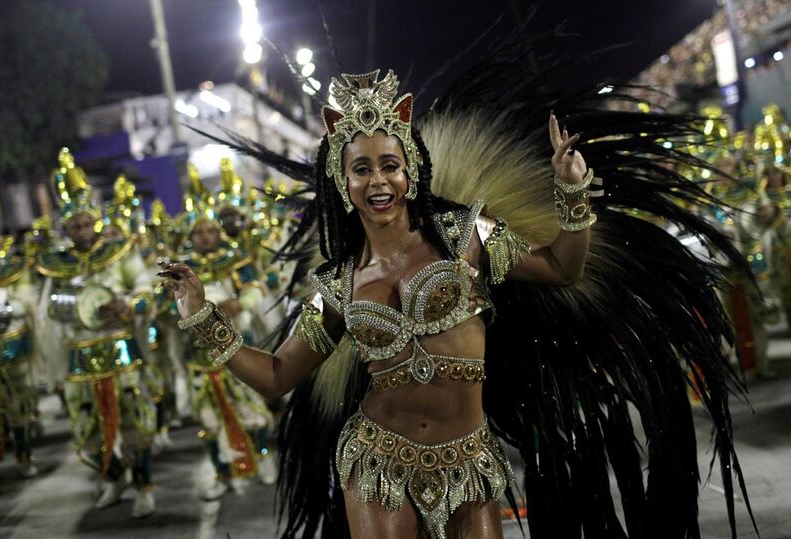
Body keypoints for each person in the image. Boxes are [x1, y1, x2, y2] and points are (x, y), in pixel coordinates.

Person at [163, 67, 753, 538]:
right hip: (377, 459)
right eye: (361, 169)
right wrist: (201, 316)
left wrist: (571, 192)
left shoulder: (468, 236)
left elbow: (562, 268)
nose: (378, 181)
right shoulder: (338, 286)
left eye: (389, 165)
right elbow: (274, 376)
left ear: (412, 169)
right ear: (343, 183)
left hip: (468, 458)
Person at [37, 148, 157, 518]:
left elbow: (144, 289)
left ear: (97, 223)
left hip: (120, 350)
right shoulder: (57, 265)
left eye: (88, 224)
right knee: (86, 427)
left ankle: (143, 485)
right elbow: (47, 313)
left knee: (136, 420)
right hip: (79, 356)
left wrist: (127, 306)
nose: (83, 232)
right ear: (66, 229)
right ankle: (113, 477)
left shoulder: (119, 253)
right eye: (76, 226)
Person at [168, 167, 278, 499]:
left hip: (236, 348)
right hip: (199, 357)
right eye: (198, 231)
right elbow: (164, 304)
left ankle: (263, 458)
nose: (204, 236)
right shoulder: (179, 269)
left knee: (252, 411)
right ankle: (222, 475)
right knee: (209, 421)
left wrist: (239, 303)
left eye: (209, 229)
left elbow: (257, 288)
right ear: (190, 235)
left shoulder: (235, 258)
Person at [0, 233, 41, 479]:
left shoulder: (14, 269)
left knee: (18, 404)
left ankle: (24, 455)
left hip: (12, 346)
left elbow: (27, 304)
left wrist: (5, 308)